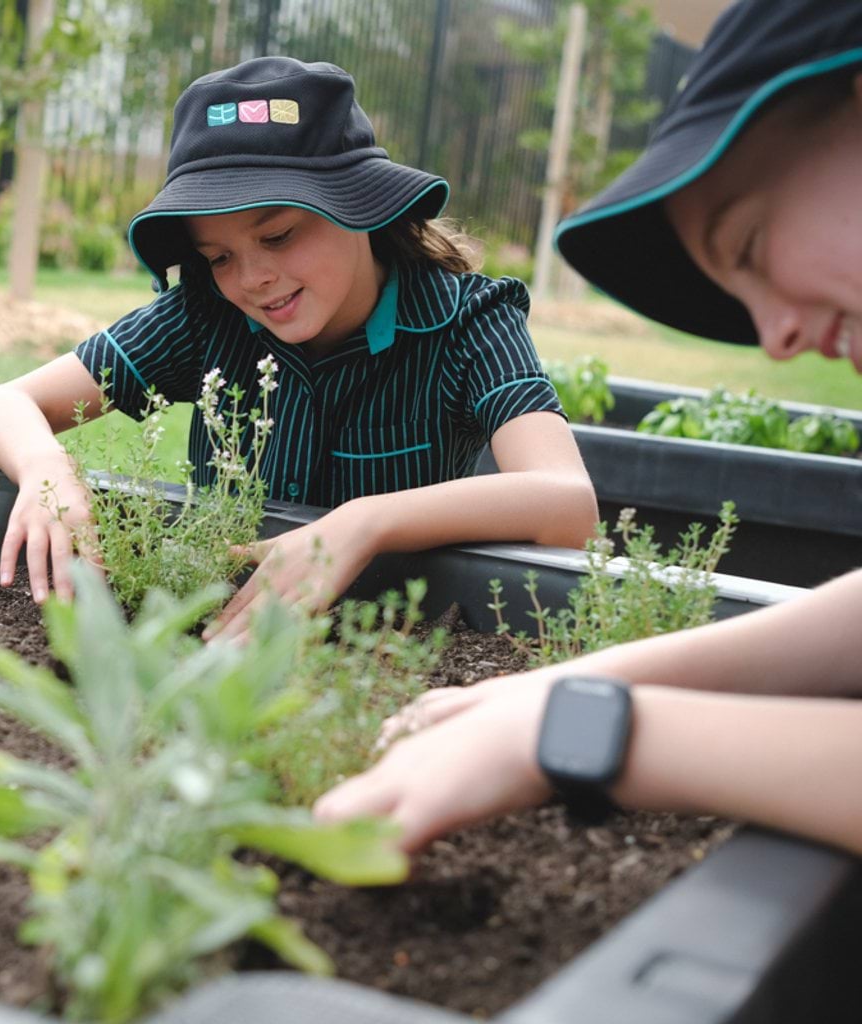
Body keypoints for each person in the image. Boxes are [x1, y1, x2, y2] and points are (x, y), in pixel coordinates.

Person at [314, 0, 862, 858]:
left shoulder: (470, 317)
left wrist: (574, 737)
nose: (776, 338)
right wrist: (569, 685)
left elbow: (564, 498)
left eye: (749, 243)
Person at [0, 57, 596, 631]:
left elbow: (567, 502)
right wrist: (46, 468)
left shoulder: (469, 320)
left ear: (359, 206)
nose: (252, 278)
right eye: (219, 256)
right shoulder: (204, 316)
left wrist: (363, 523)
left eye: (278, 236)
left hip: (390, 641)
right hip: (220, 633)